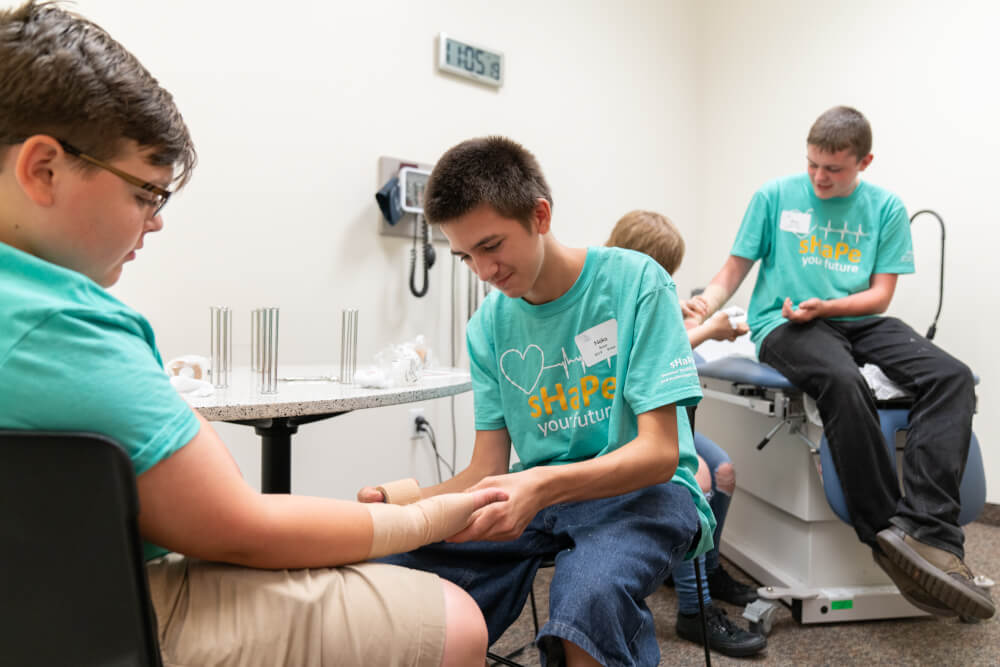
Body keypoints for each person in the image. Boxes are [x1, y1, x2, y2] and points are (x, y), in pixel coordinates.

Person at [0, 3, 508, 666]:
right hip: (83, 615)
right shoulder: (64, 321)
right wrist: (425, 516)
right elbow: (238, 525)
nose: (154, 223)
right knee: (457, 617)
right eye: (145, 194)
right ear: (42, 169)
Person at [358, 136, 716, 667]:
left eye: (492, 246)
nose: (482, 271)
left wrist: (540, 483)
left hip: (646, 491)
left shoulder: (637, 283)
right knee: (389, 564)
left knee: (586, 600)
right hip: (541, 501)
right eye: (465, 257)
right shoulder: (488, 328)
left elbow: (660, 454)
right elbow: (485, 470)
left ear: (540, 215)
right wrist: (407, 507)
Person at [686, 105, 994, 620]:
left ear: (864, 161)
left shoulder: (887, 209)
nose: (819, 177)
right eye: (812, 165)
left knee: (952, 377)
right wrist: (707, 303)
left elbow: (879, 296)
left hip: (855, 318)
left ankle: (931, 533)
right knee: (841, 379)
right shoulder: (774, 196)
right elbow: (734, 268)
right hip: (783, 322)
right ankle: (886, 533)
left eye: (833, 169)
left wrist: (829, 307)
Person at [607, 210, 766, 658]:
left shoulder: (648, 290)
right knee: (698, 483)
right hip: (630, 428)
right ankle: (694, 610)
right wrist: (708, 330)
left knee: (726, 472)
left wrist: (682, 312)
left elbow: (661, 333)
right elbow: (641, 355)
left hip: (670, 421)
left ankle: (707, 572)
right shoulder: (606, 297)